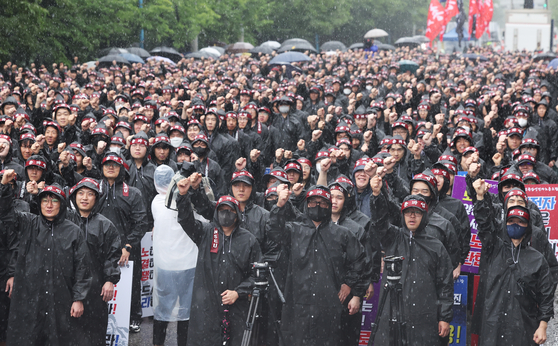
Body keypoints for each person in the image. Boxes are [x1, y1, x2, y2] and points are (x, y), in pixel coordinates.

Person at [267, 184, 367, 346]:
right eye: (313, 202)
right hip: (297, 304)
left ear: (329, 205)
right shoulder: (294, 230)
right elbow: (273, 232)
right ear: (306, 205)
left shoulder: (342, 233)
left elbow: (360, 259)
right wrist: (279, 205)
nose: (317, 206)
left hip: (329, 306)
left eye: (323, 202)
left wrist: (349, 284)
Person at [0, 170, 92, 345]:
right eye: (45, 200)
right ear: (39, 203)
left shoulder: (73, 231)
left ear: (62, 204)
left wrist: (78, 298)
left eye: (54, 200)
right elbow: (5, 213)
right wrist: (4, 186)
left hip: (62, 300)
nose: (49, 204)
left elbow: (82, 268)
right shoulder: (28, 223)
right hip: (30, 298)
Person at [175, 172, 262, 346]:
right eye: (222, 210)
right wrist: (183, 196)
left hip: (237, 307)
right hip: (207, 306)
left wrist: (239, 292)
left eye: (230, 211)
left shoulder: (249, 239)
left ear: (237, 214)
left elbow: (258, 275)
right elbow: (186, 220)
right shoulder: (205, 232)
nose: (226, 214)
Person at [369, 174, 453, 345]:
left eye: (417, 213)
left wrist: (444, 317)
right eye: (408, 213)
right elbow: (379, 222)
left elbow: (445, 284)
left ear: (425, 216)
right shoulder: (392, 237)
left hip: (424, 316)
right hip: (391, 314)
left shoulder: (436, 246)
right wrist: (377, 195)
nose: (412, 217)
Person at [472, 178, 554, 345]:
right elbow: (484, 224)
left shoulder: (537, 258)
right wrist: (480, 197)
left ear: (528, 225)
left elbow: (546, 295)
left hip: (524, 324)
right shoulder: (493, 247)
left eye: (520, 222)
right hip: (493, 322)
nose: (515, 225)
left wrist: (543, 324)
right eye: (511, 221)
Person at [67, 177, 121, 346]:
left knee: (95, 332)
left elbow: (112, 255)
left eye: (90, 194)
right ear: (74, 197)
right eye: (81, 193)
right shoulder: (65, 221)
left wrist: (109, 280)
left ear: (96, 198)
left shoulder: (105, 225)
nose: (84, 198)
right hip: (68, 285)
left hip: (96, 287)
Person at [98, 152, 148, 333]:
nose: (110, 167)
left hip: (127, 248)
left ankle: (134, 316)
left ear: (122, 169)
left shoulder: (133, 193)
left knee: (133, 284)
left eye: (115, 165)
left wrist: (128, 246)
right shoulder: (95, 190)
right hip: (100, 247)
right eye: (107, 164)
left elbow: (141, 223)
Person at [151, 165, 197, 346]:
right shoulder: (189, 202)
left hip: (165, 266)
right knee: (185, 311)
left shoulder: (156, 203)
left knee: (162, 309)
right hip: (189, 264)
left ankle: (158, 343)